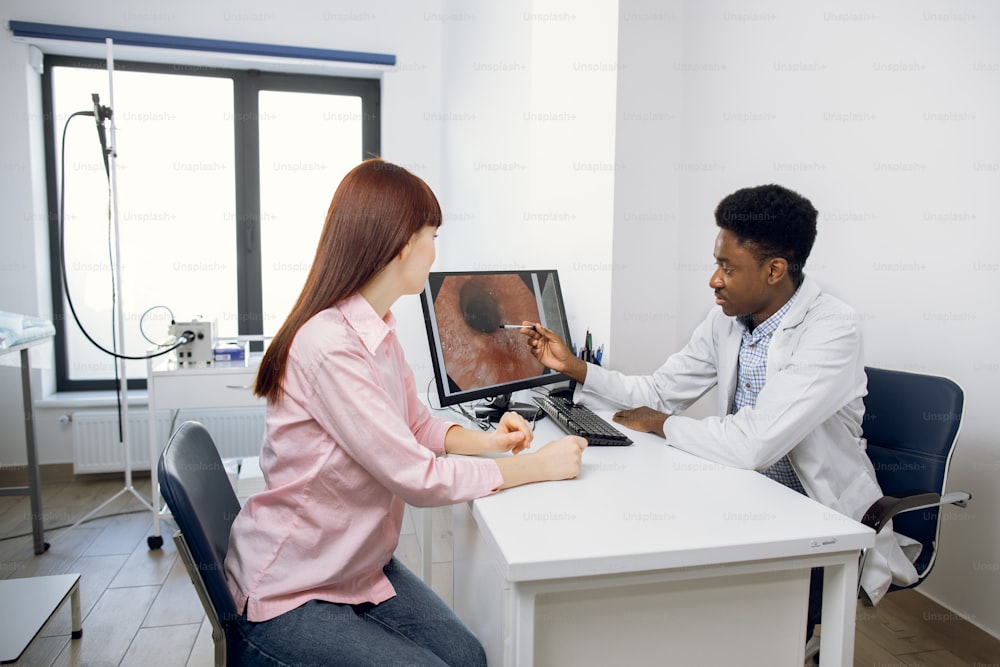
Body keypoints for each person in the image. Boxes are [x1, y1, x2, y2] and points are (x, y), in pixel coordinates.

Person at [224, 158, 587, 666]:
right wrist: (534, 467)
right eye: (431, 234)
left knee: (467, 658)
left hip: (353, 568)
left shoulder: (378, 327)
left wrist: (492, 441)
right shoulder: (329, 344)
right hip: (291, 590)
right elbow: (414, 477)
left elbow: (415, 425)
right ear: (401, 243)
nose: (436, 250)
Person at [521, 183, 919, 641]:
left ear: (774, 270)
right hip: (740, 492)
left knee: (695, 587)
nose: (714, 280)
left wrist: (663, 423)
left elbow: (753, 444)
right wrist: (575, 367)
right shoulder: (726, 320)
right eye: (716, 264)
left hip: (813, 515)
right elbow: (657, 391)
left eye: (727, 267)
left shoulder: (832, 330)